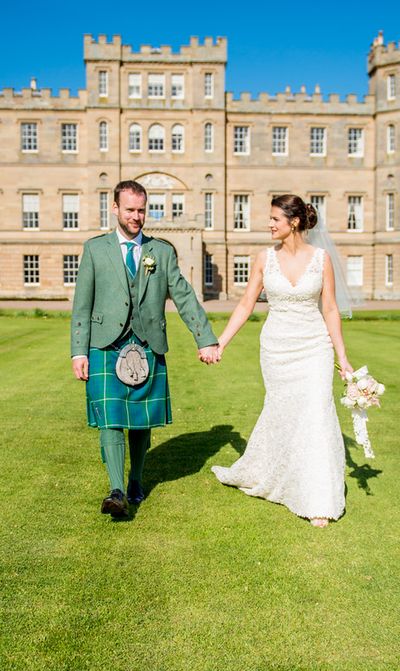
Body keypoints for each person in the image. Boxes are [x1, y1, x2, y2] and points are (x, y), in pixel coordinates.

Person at [71, 180, 219, 517]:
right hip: (103, 345)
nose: (137, 217)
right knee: (109, 419)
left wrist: (205, 337)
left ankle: (136, 480)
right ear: (115, 209)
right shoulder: (95, 249)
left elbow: (183, 296)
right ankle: (116, 489)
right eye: (130, 210)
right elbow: (81, 304)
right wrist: (78, 351)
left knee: (139, 420)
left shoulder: (161, 252)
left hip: (147, 343)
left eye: (141, 210)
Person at [212, 194, 353, 527]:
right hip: (276, 348)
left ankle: (318, 499)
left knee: (317, 413)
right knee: (286, 414)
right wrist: (219, 343)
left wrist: (343, 358)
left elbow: (330, 308)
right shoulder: (264, 259)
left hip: (314, 346)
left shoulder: (321, 259)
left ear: (294, 222)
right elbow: (247, 304)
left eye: (275, 218)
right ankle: (283, 478)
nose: (269, 224)